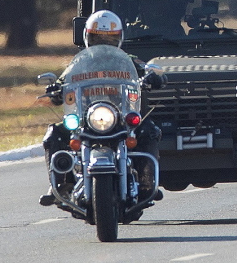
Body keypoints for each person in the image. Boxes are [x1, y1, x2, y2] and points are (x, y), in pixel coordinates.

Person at [40, 11, 162, 206]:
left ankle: (147, 183)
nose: (104, 44)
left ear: (119, 39)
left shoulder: (129, 59)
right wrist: (55, 88)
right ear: (88, 38)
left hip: (120, 117)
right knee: (54, 133)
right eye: (98, 39)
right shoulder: (80, 62)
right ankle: (60, 185)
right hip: (87, 118)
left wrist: (153, 76)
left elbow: (147, 69)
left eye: (110, 39)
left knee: (148, 130)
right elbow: (64, 80)